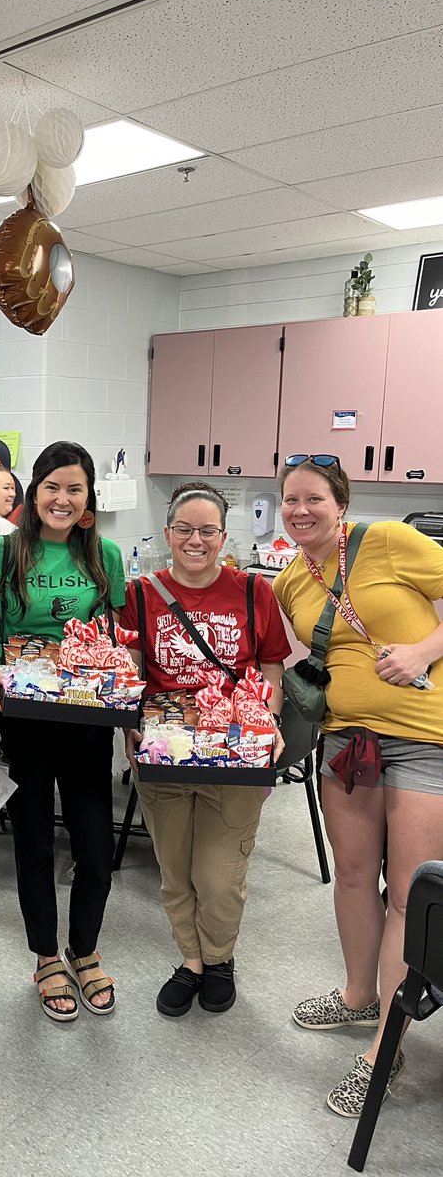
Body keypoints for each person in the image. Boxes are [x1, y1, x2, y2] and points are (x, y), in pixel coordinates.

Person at [273, 453, 443, 1118]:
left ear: (341, 504)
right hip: (347, 744)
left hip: (424, 738)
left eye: (314, 498)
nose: (301, 510)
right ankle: (358, 997)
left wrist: (424, 651)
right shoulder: (291, 578)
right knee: (350, 877)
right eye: (290, 499)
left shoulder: (390, 541)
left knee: (405, 892)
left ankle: (386, 1045)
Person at [0, 441, 125, 1021]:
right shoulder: (3, 553)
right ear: (34, 494)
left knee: (95, 846)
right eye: (52, 487)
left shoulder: (105, 555)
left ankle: (85, 950)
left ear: (88, 497)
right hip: (25, 720)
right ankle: (45, 957)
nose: (62, 498)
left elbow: (113, 636)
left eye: (74, 488)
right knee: (34, 843)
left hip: (86, 719)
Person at [122, 483, 289, 1018]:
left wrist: (269, 720)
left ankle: (219, 959)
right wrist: (129, 726)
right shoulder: (140, 594)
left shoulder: (253, 591)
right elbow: (130, 672)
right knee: (174, 871)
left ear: (223, 536)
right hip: (165, 749)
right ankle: (191, 962)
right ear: (167, 533)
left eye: (208, 531)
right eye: (184, 530)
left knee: (219, 878)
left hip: (234, 753)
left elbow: (271, 665)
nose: (196, 541)